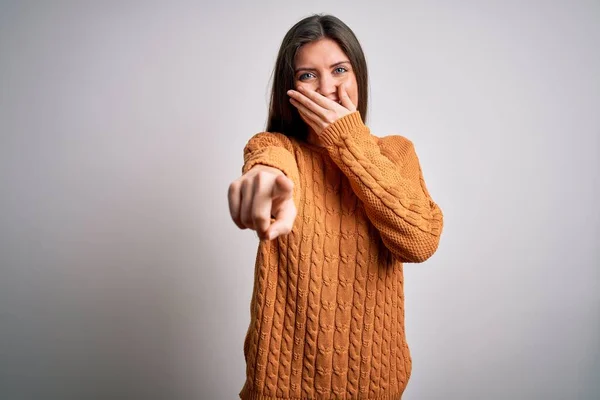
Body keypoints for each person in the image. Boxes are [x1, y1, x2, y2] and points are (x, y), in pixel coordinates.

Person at [228, 14, 444, 400]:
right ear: (289, 88)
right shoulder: (276, 146)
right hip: (281, 388)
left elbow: (420, 241)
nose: (326, 88)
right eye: (307, 75)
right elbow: (269, 160)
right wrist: (263, 180)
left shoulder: (395, 153)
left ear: (358, 74)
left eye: (339, 70)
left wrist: (347, 137)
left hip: (375, 386)